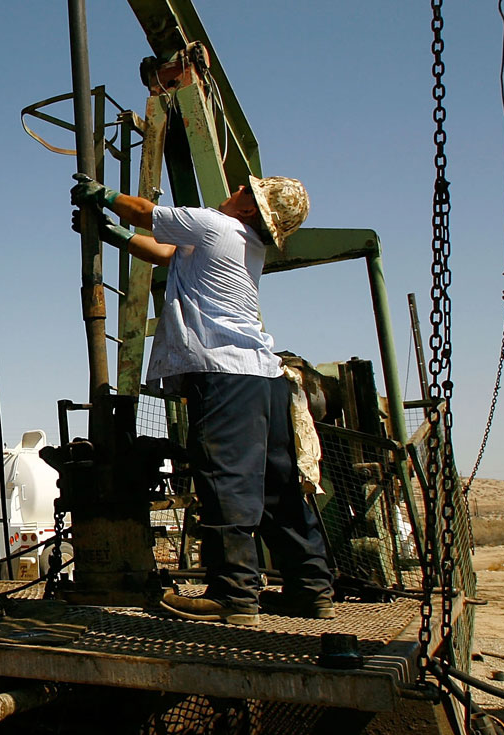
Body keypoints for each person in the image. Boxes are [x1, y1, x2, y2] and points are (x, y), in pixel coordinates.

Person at [71, 175, 333, 627]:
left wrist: (105, 197)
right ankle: (310, 590)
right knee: (278, 485)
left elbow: (145, 215)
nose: (232, 191)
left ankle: (233, 596)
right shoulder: (245, 241)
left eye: (244, 191)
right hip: (264, 376)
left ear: (251, 208)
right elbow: (165, 251)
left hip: (224, 372)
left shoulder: (216, 225)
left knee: (226, 478)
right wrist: (115, 236)